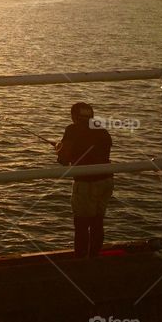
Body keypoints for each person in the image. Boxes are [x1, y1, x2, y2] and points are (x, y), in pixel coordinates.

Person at [56, 101, 113, 258]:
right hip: (106, 181)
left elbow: (64, 159)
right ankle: (94, 256)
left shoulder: (72, 129)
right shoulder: (102, 131)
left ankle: (81, 261)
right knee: (97, 222)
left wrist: (59, 151)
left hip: (86, 183)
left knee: (81, 225)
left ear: (74, 116)